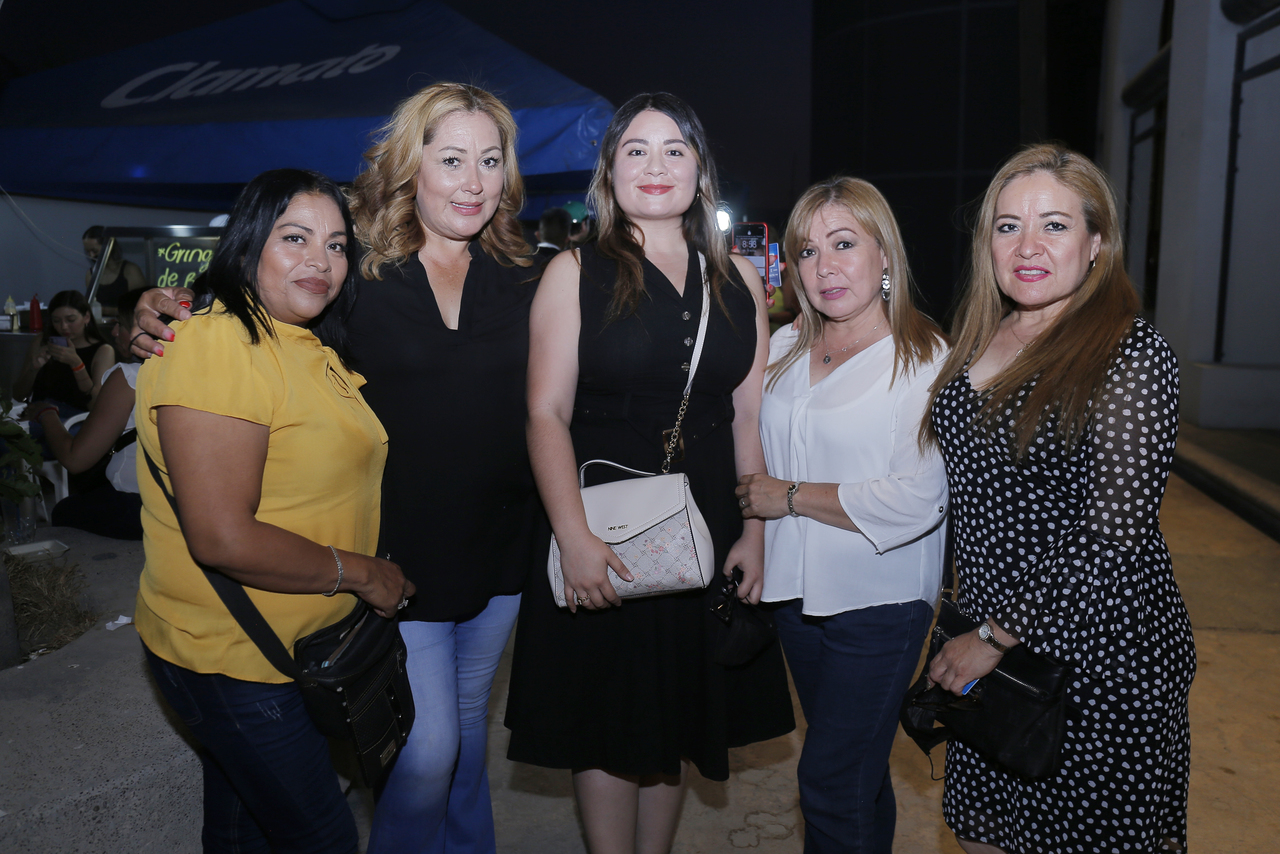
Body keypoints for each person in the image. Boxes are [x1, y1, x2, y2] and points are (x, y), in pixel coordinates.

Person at [131, 82, 542, 854]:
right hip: (396, 563)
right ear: (410, 165)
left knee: (466, 739)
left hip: (500, 552)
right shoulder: (356, 271)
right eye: (451, 159)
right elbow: (259, 302)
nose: (473, 181)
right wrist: (166, 305)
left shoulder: (530, 276)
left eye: (491, 161)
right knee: (425, 753)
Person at [505, 92, 795, 854]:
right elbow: (544, 414)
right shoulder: (574, 271)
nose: (655, 165)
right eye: (636, 149)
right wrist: (572, 537)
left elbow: (748, 416)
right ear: (610, 171)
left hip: (708, 521)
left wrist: (756, 532)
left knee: (677, 713)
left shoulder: (739, 278)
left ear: (700, 171)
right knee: (608, 715)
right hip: (604, 519)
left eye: (674, 149)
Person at [923, 144, 1194, 853]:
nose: (1028, 246)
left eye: (1055, 225)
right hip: (988, 648)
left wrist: (995, 637)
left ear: (1096, 242)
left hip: (1098, 660)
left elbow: (1114, 534)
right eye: (1008, 226)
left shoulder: (1130, 353)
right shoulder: (979, 337)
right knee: (984, 832)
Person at [134, 168, 413, 854]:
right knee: (322, 838)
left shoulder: (301, 340)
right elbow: (223, 537)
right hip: (235, 658)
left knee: (243, 832)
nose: (321, 260)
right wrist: (364, 574)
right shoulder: (217, 345)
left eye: (337, 245)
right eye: (295, 238)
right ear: (247, 244)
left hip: (287, 649)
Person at [735, 177, 948, 853]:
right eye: (807, 250)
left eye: (845, 244)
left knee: (828, 781)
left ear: (885, 255)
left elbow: (918, 497)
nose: (824, 265)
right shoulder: (785, 348)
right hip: (796, 596)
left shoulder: (923, 358)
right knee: (857, 774)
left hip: (879, 599)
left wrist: (790, 495)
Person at [30, 289, 149, 539]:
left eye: (120, 324)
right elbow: (19, 390)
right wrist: (33, 367)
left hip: (141, 503)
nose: (114, 331)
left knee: (63, 512)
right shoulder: (189, 373)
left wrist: (46, 414)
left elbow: (75, 459)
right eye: (56, 320)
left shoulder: (129, 375)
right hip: (181, 501)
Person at [13, 289, 115, 413]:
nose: (64, 327)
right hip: (38, 416)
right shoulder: (42, 341)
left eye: (71, 320)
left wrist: (77, 365)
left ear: (86, 317)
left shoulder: (103, 351)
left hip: (76, 419)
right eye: (56, 321)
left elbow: (98, 407)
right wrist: (33, 370)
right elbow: (18, 395)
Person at [83, 225, 148, 310]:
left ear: (109, 246)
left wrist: (106, 311)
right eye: (87, 252)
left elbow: (141, 306)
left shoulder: (130, 270)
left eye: (94, 251)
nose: (91, 256)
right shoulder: (91, 274)